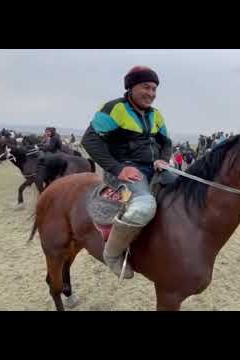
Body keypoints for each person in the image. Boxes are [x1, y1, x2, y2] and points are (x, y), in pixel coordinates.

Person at [81, 65, 174, 279]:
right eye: (146, 87)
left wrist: (163, 159)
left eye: (154, 89)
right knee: (144, 207)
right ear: (131, 86)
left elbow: (166, 141)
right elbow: (90, 139)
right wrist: (118, 168)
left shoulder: (156, 115)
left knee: (188, 185)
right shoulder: (115, 108)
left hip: (153, 168)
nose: (151, 93)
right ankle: (112, 254)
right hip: (122, 172)